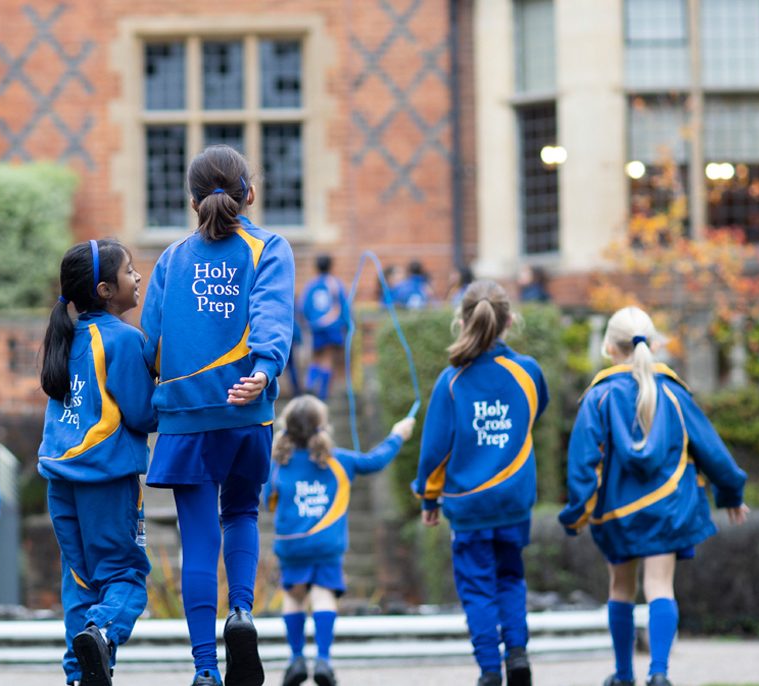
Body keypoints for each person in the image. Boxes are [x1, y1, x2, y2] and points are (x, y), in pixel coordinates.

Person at [140, 145, 295, 686]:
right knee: (243, 515)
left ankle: (205, 668)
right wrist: (266, 369)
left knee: (197, 540)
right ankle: (244, 613)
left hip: (186, 419)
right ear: (249, 193)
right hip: (246, 409)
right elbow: (272, 314)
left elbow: (151, 346)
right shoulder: (269, 247)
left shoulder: (170, 259)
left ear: (190, 201)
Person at [558, 307, 750, 686]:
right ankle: (659, 673)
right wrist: (731, 493)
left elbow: (583, 463)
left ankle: (624, 674)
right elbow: (712, 450)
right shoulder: (673, 392)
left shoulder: (598, 397)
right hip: (667, 508)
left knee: (621, 588)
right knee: (660, 587)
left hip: (617, 513)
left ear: (609, 348)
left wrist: (576, 513)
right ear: (654, 344)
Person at [410, 281, 549, 686]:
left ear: (461, 321)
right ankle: (518, 654)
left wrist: (429, 498)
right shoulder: (528, 372)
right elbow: (534, 413)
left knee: (477, 587)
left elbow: (435, 451)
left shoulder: (451, 381)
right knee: (511, 577)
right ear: (510, 321)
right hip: (514, 501)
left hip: (469, 507)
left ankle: (490, 669)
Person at [38, 239, 157, 686]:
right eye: (130, 271)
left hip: (60, 482)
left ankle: (77, 675)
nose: (139, 276)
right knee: (126, 575)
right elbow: (144, 414)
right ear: (106, 289)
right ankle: (103, 633)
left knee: (80, 583)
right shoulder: (125, 340)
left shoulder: (64, 339)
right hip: (107, 480)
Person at [264, 396, 413, 686]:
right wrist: (397, 435)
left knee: (294, 598)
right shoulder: (340, 460)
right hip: (326, 544)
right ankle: (323, 660)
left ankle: (296, 659)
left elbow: (267, 501)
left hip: (291, 544)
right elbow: (376, 461)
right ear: (323, 426)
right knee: (323, 596)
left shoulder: (278, 465)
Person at [298, 254, 352, 399]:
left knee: (316, 357)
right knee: (328, 359)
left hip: (316, 327)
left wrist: (310, 322)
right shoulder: (335, 284)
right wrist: (348, 324)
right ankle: (323, 394)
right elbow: (344, 306)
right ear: (331, 266)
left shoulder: (311, 285)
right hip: (332, 327)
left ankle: (310, 386)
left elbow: (303, 307)